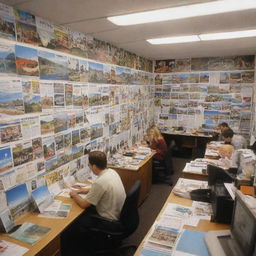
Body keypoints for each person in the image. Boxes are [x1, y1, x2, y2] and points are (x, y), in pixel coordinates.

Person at [61, 151, 126, 254]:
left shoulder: (100, 182)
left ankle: (76, 250)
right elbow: (100, 188)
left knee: (72, 224)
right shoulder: (111, 172)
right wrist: (82, 190)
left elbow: (83, 204)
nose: (89, 167)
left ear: (94, 166)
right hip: (119, 214)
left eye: (89, 165)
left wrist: (74, 194)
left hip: (108, 220)